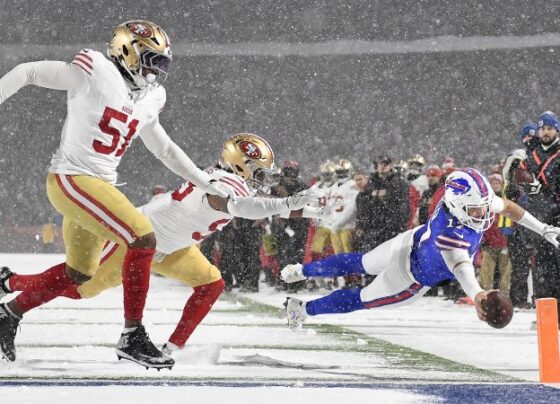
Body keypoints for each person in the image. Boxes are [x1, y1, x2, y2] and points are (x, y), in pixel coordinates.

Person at [0, 20, 238, 368]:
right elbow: (28, 71)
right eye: (150, 59)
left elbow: (166, 150)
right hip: (72, 178)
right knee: (142, 238)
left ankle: (9, 311)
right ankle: (132, 335)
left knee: (79, 274)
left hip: (98, 186)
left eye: (160, 63)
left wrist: (204, 182)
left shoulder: (149, 97)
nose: (155, 71)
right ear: (127, 50)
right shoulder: (95, 69)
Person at [0, 133, 330, 357]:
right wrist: (291, 204)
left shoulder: (231, 180)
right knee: (78, 288)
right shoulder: (225, 183)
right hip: (139, 242)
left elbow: (255, 203)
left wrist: (315, 209)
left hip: (173, 246)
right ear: (242, 164)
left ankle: (172, 349)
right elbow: (243, 208)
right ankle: (10, 282)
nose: (262, 178)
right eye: (259, 171)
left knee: (211, 283)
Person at [280, 168, 560, 329]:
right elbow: (462, 268)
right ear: (458, 204)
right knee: (360, 297)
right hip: (410, 278)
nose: (482, 213)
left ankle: (301, 271)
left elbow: (508, 206)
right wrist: (478, 295)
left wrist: (544, 228)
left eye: (484, 206)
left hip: (410, 242)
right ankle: (303, 309)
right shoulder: (450, 234)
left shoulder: (465, 203)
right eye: (476, 208)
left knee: (361, 262)